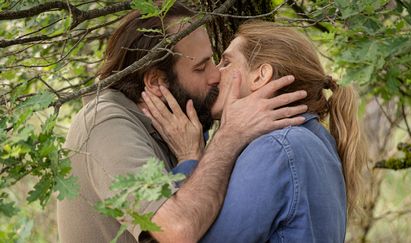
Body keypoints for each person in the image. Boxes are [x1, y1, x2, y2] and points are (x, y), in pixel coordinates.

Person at [57, 3, 308, 243]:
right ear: (156, 82)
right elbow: (179, 232)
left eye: (213, 59)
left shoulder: (179, 121)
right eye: (200, 68)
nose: (215, 75)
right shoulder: (107, 125)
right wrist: (230, 135)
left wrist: (192, 156)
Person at [142, 20, 368, 242]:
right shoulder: (315, 139)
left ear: (260, 76)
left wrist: (189, 157)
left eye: (226, 62)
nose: (215, 74)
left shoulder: (276, 148)